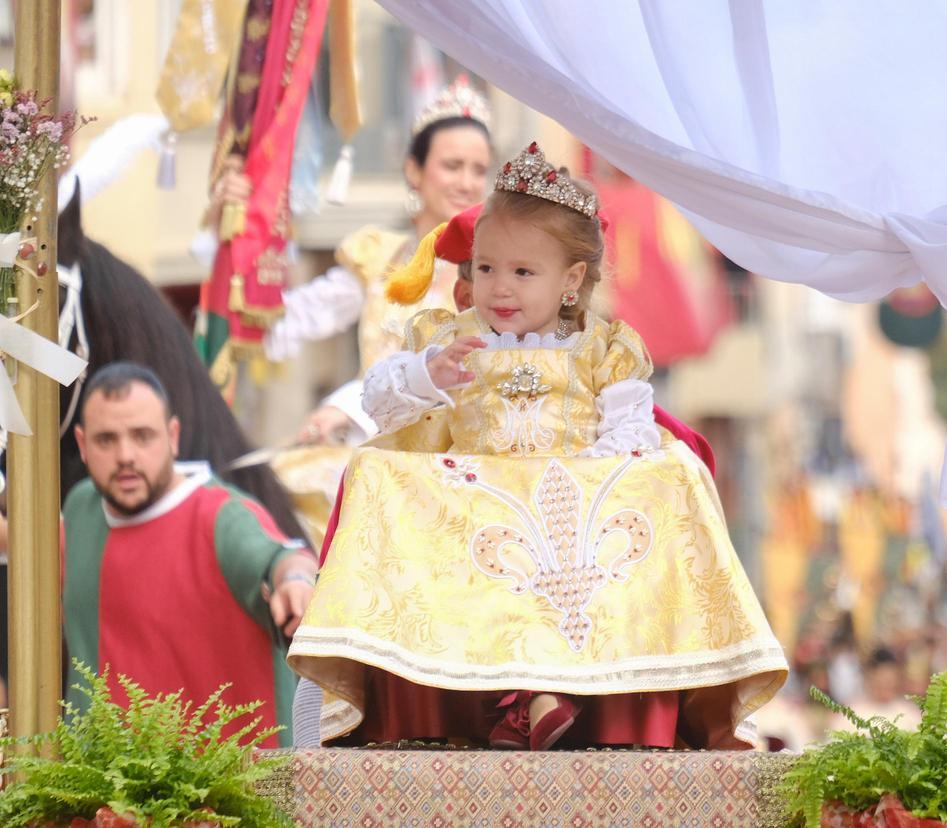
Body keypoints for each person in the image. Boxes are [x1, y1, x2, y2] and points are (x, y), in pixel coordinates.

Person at [289, 142, 787, 751]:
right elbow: (380, 404)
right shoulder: (451, 339)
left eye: (523, 273)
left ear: (571, 280)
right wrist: (427, 374)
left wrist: (586, 476)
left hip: (573, 517)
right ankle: (507, 701)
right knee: (374, 471)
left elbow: (629, 430)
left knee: (667, 475)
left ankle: (545, 698)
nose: (500, 288)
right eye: (486, 269)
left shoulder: (603, 349)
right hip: (478, 515)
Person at [212, 77, 493, 546]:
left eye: (478, 170)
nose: (466, 182)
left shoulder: (493, 273)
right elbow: (279, 320)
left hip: (455, 455)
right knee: (263, 490)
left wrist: (344, 409)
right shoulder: (378, 258)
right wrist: (238, 235)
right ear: (414, 170)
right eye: (452, 165)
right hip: (370, 444)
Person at [63, 362, 318, 746]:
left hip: (235, 780)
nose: (125, 455)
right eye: (106, 440)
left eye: (142, 436)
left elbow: (281, 559)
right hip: (99, 780)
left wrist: (295, 581)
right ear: (82, 445)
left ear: (173, 436)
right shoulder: (80, 509)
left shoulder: (221, 516)